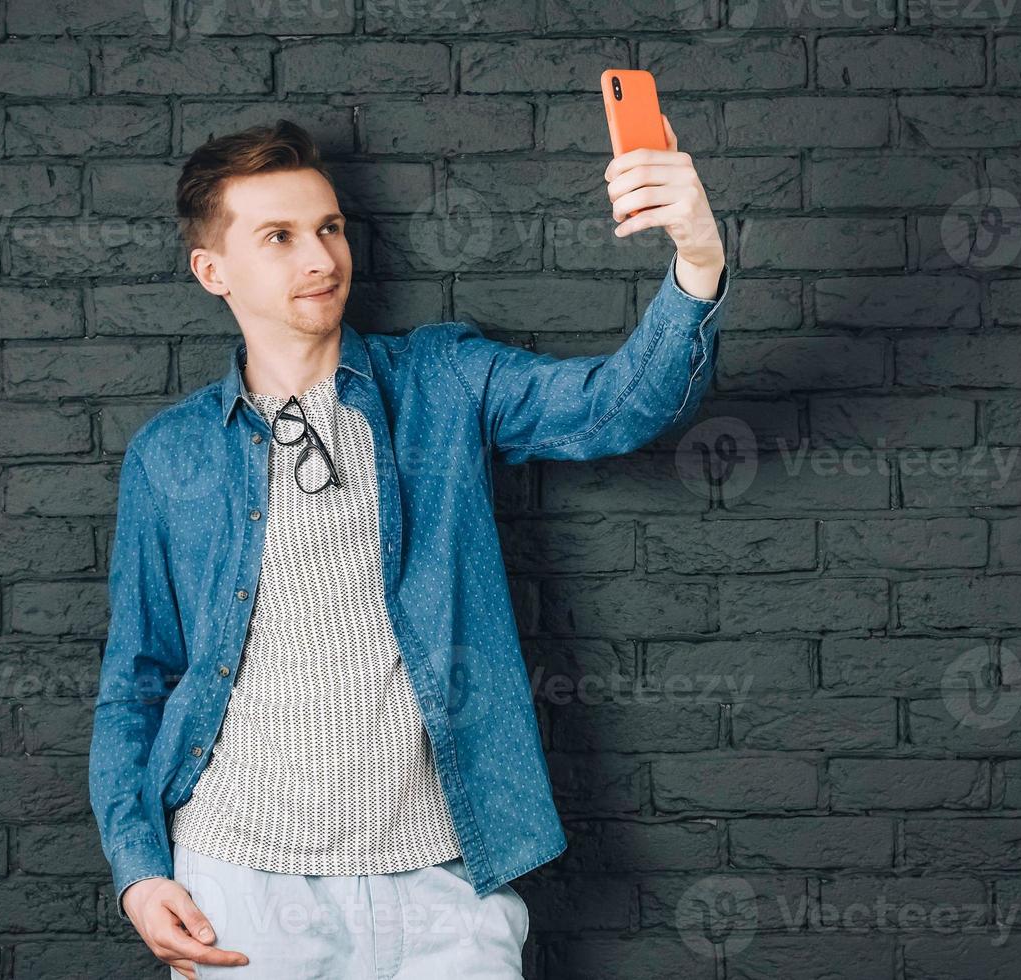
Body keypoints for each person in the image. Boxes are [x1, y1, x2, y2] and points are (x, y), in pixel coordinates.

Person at [89, 119, 731, 978]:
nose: (319, 258)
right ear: (213, 271)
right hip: (239, 877)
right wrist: (137, 872)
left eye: (329, 228)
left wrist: (696, 260)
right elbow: (137, 677)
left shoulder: (443, 380)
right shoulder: (170, 456)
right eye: (278, 237)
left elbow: (614, 406)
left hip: (442, 875)